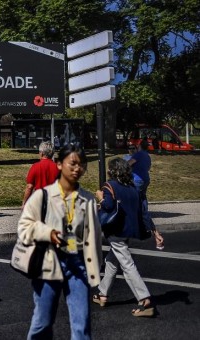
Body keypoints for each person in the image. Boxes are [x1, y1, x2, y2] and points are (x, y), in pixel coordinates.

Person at [17, 144, 102, 340]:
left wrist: (95, 268)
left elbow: (95, 236)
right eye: (72, 163)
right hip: (49, 261)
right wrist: (48, 233)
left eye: (81, 165)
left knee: (82, 326)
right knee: (43, 323)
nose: (77, 169)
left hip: (78, 265)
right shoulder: (42, 196)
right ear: (59, 165)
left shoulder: (88, 199)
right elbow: (24, 226)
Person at [93, 158, 155, 317]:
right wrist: (153, 229)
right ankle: (102, 293)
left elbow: (108, 206)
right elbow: (142, 210)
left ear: (112, 171)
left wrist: (100, 197)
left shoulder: (109, 186)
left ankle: (144, 300)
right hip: (129, 230)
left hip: (115, 231)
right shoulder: (133, 187)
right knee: (112, 261)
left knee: (127, 264)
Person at [128, 139, 164, 249]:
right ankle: (156, 234)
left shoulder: (138, 154)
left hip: (136, 181)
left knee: (134, 206)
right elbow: (148, 168)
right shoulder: (147, 156)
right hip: (145, 181)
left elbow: (128, 164)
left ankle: (151, 232)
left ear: (139, 146)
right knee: (142, 204)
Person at [22, 141, 59, 208]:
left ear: (41, 153)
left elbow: (29, 187)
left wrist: (24, 203)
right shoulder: (58, 168)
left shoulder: (35, 166)